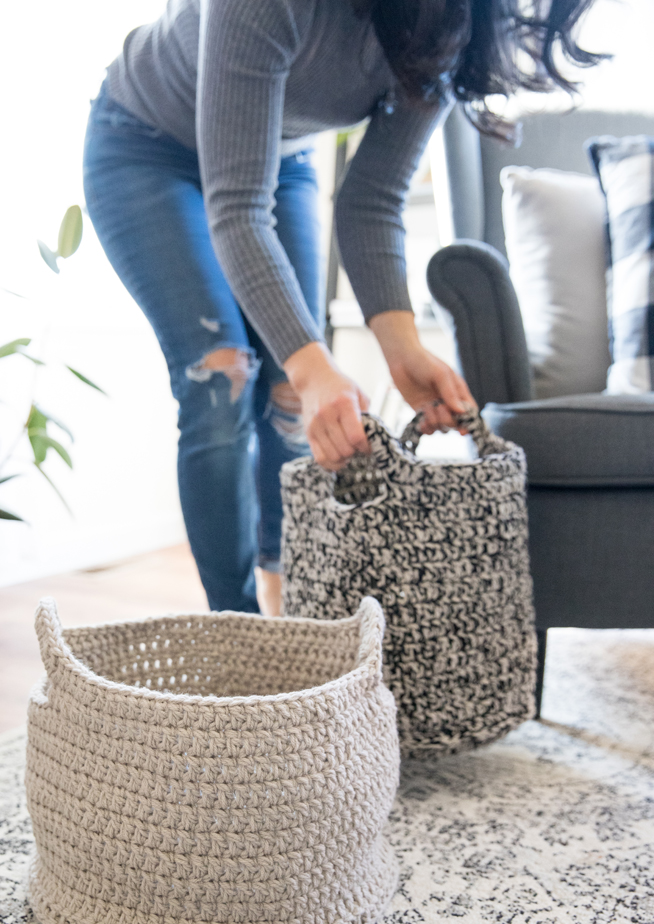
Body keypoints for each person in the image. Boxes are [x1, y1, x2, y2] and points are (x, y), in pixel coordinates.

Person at [83, 0, 601, 616]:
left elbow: (373, 202)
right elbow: (238, 207)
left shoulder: (451, 21)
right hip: (145, 148)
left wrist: (403, 348)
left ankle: (291, 611)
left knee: (290, 394)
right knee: (222, 377)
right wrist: (313, 366)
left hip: (280, 157)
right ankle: (236, 628)